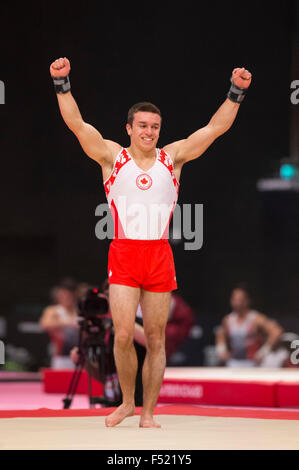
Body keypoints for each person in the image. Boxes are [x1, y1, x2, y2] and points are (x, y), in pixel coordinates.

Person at [49, 56, 252, 427]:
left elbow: (213, 129)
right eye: (142, 125)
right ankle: (127, 402)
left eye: (155, 126)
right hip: (124, 253)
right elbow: (77, 124)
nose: (149, 131)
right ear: (129, 128)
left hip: (159, 254)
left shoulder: (171, 158)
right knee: (124, 333)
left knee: (156, 338)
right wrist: (62, 83)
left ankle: (147, 413)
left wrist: (236, 92)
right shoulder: (113, 157)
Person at [215, 285, 283, 367]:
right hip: (233, 363)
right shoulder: (228, 319)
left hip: (252, 364)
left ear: (247, 301)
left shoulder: (256, 318)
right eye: (234, 299)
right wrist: (221, 349)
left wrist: (264, 351)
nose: (236, 303)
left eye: (239, 300)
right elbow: (220, 334)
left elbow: (277, 332)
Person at [40, 280, 79, 369]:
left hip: (78, 356)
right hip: (60, 358)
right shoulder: (53, 310)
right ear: (59, 295)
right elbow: (44, 324)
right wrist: (68, 323)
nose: (67, 298)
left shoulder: (78, 311)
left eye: (69, 296)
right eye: (64, 295)